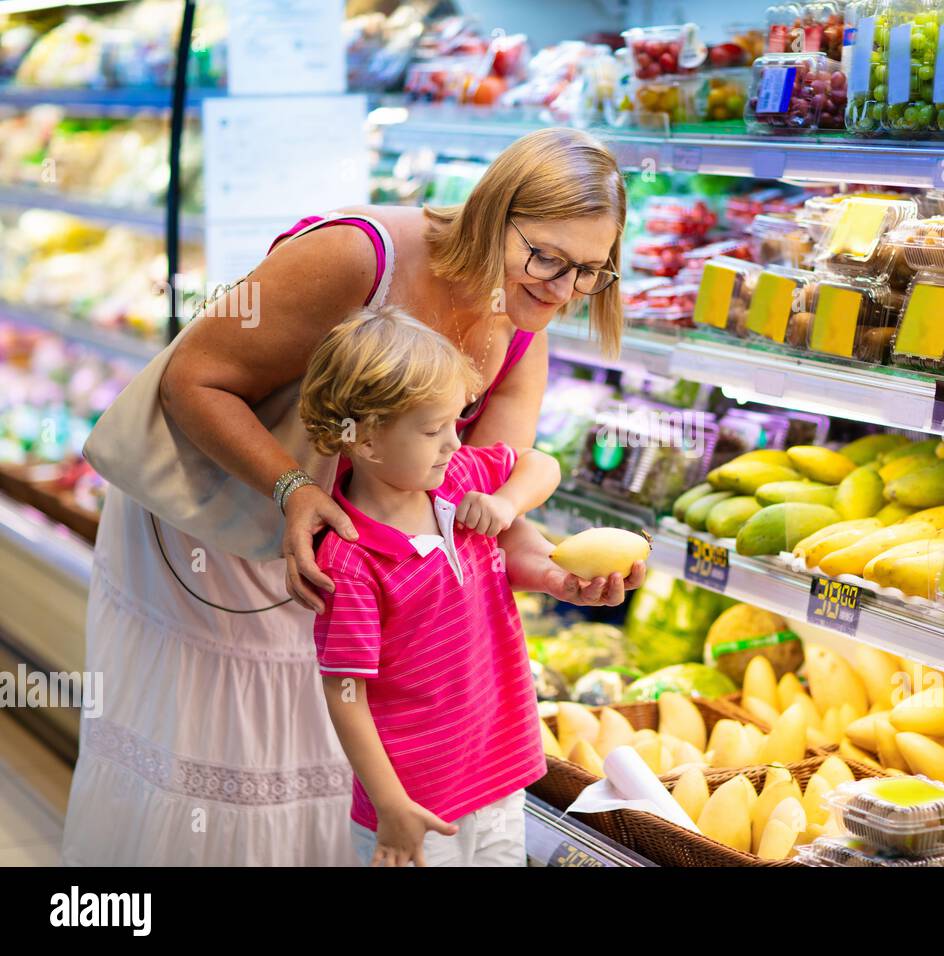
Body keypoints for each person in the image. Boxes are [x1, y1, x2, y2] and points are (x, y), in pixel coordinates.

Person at [62, 128, 643, 866]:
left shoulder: (527, 322)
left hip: (350, 560)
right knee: (224, 764)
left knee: (325, 765)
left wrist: (555, 570)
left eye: (590, 271)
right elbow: (194, 378)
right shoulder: (359, 255)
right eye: (546, 257)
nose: (562, 290)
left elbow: (484, 502)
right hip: (223, 527)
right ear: (494, 214)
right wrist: (292, 488)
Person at [303, 307, 559, 867]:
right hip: (416, 808)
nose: (452, 442)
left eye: (456, 421)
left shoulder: (461, 480)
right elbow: (345, 694)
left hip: (499, 777)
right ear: (367, 442)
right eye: (431, 429)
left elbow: (542, 465)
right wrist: (391, 807)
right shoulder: (352, 560)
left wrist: (506, 502)